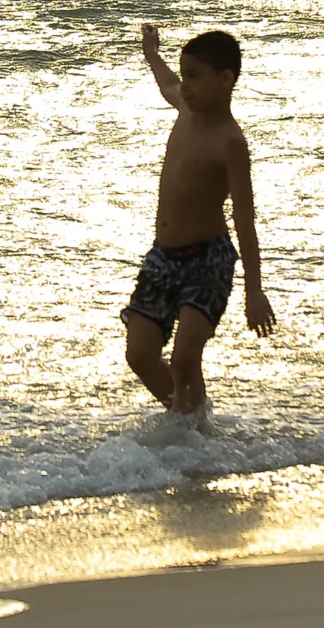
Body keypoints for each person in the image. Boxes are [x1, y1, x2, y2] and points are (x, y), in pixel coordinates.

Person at [122, 23, 275, 418]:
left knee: (186, 357)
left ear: (225, 80)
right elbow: (167, 85)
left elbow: (245, 221)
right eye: (184, 74)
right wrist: (152, 54)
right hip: (163, 258)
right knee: (139, 353)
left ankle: (190, 431)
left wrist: (253, 292)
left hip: (208, 261)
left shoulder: (230, 142)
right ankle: (187, 421)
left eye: (195, 76)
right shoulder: (186, 108)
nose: (185, 85)